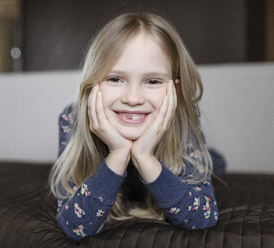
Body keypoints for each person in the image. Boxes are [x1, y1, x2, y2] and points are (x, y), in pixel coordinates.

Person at [49, 12, 219, 241]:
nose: (133, 98)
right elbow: (75, 227)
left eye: (153, 81)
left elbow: (203, 219)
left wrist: (145, 157)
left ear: (175, 91)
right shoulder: (72, 119)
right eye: (115, 79)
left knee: (216, 163)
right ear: (92, 85)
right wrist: (118, 154)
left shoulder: (183, 118)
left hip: (181, 158)